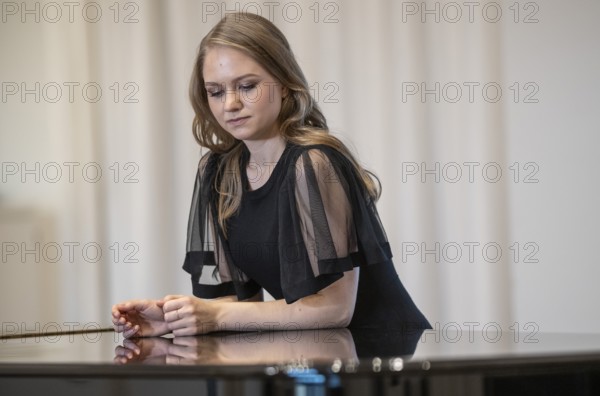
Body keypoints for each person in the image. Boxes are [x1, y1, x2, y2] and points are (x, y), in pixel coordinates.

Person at [112, 12, 430, 339]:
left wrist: (216, 314)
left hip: (383, 354)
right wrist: (173, 321)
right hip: (314, 354)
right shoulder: (216, 173)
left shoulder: (314, 163)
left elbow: (334, 308)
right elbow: (237, 306)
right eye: (216, 91)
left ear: (284, 84)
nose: (230, 104)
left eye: (247, 86)